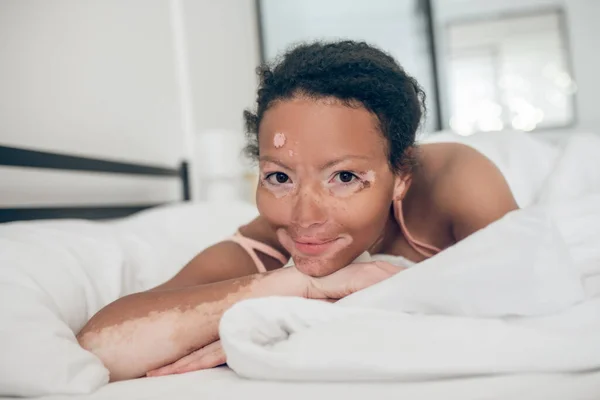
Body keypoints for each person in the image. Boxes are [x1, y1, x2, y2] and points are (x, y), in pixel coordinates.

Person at [77, 40, 518, 381]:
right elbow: (99, 348)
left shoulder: (459, 180)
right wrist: (297, 287)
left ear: (400, 174)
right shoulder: (265, 239)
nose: (303, 215)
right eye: (280, 177)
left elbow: (528, 299)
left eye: (344, 177)